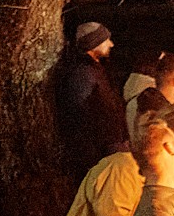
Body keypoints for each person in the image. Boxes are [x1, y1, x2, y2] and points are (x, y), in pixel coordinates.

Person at [50, 21, 127, 186]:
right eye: (106, 40)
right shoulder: (82, 74)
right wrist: (106, 145)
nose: (111, 44)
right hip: (96, 154)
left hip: (104, 149)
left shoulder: (94, 70)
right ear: (94, 44)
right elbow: (82, 117)